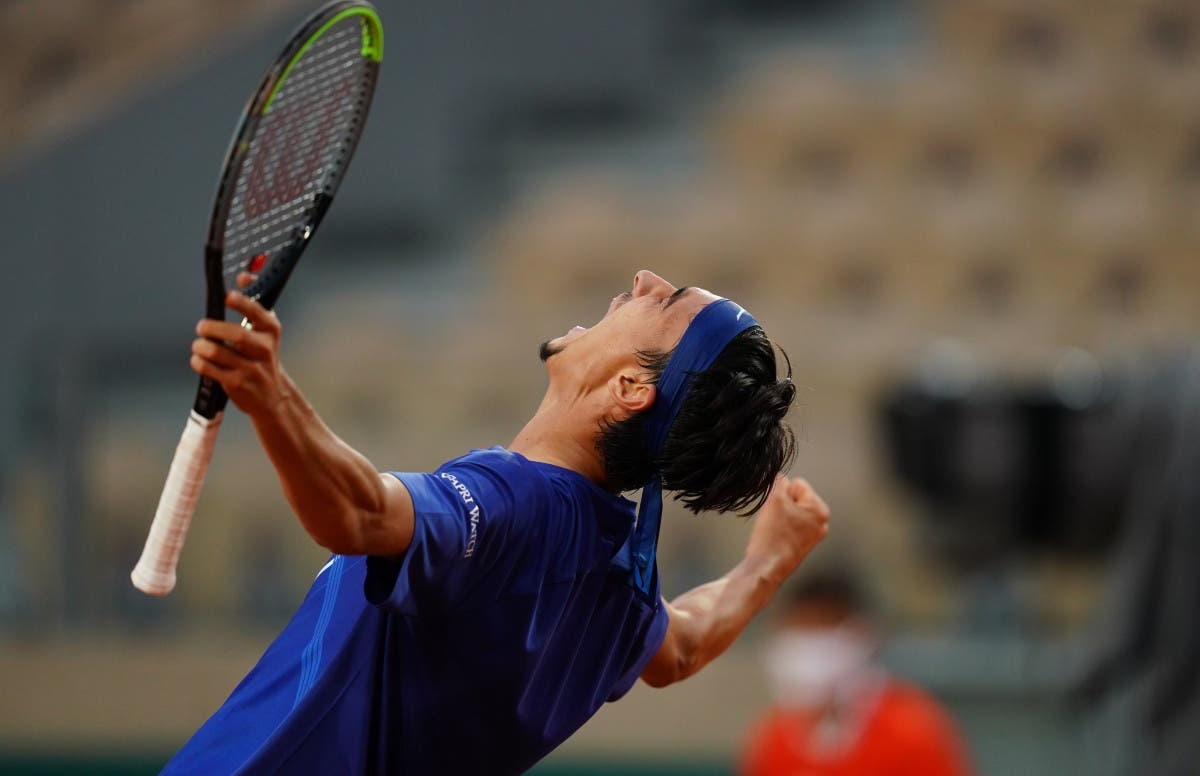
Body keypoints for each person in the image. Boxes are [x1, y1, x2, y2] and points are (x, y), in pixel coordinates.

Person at [162, 269, 831, 774]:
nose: (644, 279)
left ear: (631, 389)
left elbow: (361, 515)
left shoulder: (519, 502)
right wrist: (767, 562)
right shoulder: (617, 574)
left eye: (665, 301)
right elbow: (681, 646)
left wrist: (272, 394)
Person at [740, 568, 971, 776]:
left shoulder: (912, 730)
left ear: (860, 635)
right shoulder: (774, 738)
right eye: (799, 633)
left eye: (820, 632)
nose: (806, 655)